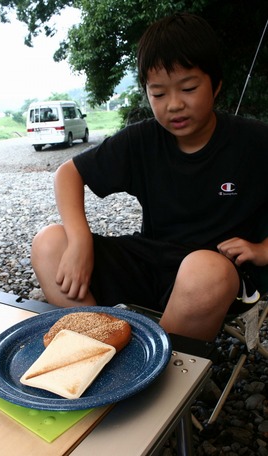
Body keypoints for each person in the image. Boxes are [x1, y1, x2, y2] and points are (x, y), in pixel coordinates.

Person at [31, 13, 268, 341]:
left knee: (205, 269)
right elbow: (68, 174)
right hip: (150, 258)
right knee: (50, 243)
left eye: (188, 88)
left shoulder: (253, 141)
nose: (174, 105)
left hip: (217, 274)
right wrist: (80, 239)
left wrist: (263, 249)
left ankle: (157, 369)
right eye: (158, 94)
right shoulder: (143, 139)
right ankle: (98, 350)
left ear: (216, 86)